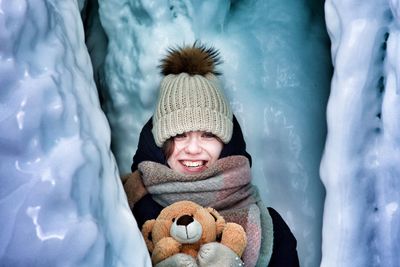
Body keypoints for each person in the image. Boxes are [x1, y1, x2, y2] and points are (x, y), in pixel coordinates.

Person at [122, 42, 299, 266]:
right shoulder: (126, 214)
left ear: (226, 142)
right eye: (179, 135)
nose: (194, 148)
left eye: (208, 134)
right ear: (160, 142)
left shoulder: (269, 230)